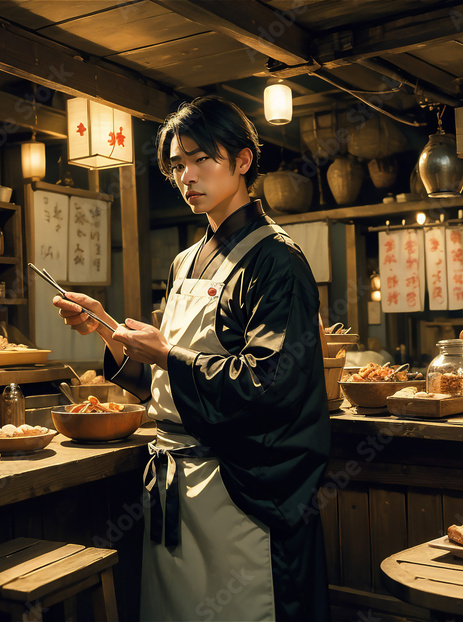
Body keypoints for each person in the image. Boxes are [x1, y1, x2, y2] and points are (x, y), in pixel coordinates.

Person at [52, 95, 329, 622]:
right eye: (177, 165)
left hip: (239, 486)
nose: (187, 176)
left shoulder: (277, 260)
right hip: (175, 480)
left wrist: (169, 355)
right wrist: (107, 329)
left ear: (243, 161)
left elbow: (272, 383)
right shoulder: (186, 259)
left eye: (202, 159)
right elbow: (162, 372)